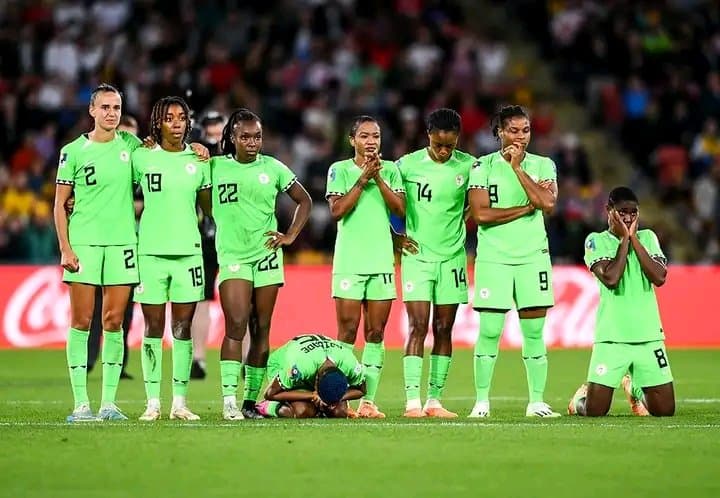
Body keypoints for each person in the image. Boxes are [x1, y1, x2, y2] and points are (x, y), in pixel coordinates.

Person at [211, 108, 312, 420]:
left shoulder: (274, 167)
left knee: (262, 328)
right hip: (233, 257)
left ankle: (249, 402)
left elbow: (305, 200)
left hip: (267, 256)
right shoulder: (214, 167)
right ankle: (229, 399)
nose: (252, 142)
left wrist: (290, 235)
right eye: (245, 136)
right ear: (232, 137)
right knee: (237, 324)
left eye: (257, 136)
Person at [54, 84, 141, 422]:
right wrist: (66, 247)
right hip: (85, 243)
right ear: (92, 111)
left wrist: (197, 148)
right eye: (105, 107)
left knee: (114, 321)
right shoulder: (72, 151)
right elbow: (60, 204)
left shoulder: (131, 147)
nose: (111, 113)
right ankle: (80, 403)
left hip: (122, 244)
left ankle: (108, 404)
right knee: (81, 320)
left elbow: (166, 154)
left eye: (116, 108)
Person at [467, 105, 560, 418]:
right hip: (494, 260)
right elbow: (480, 215)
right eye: (514, 130)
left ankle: (536, 402)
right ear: (499, 132)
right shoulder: (482, 166)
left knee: (534, 333)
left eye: (526, 130)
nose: (521, 136)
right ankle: (481, 402)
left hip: (533, 258)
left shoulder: (543, 165)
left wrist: (519, 169)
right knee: (490, 331)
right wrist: (523, 209)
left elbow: (547, 203)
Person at [133, 96, 212, 421]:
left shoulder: (199, 160)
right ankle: (153, 402)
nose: (176, 123)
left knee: (182, 328)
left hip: (188, 255)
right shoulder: (141, 157)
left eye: (181, 117)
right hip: (150, 253)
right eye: (169, 117)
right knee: (152, 327)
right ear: (158, 122)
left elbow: (210, 210)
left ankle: (179, 402)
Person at [394, 108, 476, 418]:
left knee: (444, 328)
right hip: (417, 257)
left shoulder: (469, 166)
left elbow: (477, 203)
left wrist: (464, 218)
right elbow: (386, 198)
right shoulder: (406, 165)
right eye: (438, 144)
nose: (444, 152)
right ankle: (412, 401)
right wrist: (394, 236)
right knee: (417, 326)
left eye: (450, 146)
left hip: (452, 259)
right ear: (428, 135)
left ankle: (434, 401)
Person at [568, 187, 675, 417]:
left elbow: (659, 277)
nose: (628, 217)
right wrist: (625, 239)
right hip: (613, 337)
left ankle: (633, 388)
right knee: (595, 411)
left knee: (665, 410)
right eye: (622, 212)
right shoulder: (595, 241)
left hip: (648, 335)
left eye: (633, 213)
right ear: (609, 211)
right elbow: (611, 278)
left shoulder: (648, 237)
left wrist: (633, 237)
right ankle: (578, 400)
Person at [326, 116, 405, 418]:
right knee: (346, 333)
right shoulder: (340, 170)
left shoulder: (392, 171)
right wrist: (362, 180)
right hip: (349, 263)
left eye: (376, 136)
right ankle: (340, 400)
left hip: (381, 262)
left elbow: (400, 209)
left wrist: (379, 178)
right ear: (352, 140)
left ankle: (368, 401)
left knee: (376, 333)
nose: (371, 141)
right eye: (364, 136)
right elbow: (336, 211)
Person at [87, 114, 140, 380]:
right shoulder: (101, 162)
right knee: (96, 307)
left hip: (133, 244)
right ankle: (87, 360)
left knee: (124, 311)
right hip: (100, 241)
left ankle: (119, 363)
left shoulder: (139, 166)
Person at [190, 112, 226, 379]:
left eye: (218, 129)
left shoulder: (236, 156)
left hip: (231, 237)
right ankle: (198, 359)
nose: (214, 134)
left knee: (242, 302)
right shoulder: (196, 156)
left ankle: (247, 361)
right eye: (210, 129)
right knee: (202, 300)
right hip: (205, 238)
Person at [255, 334, 366, 418]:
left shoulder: (350, 364)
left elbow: (362, 390)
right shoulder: (299, 367)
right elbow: (270, 393)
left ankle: (320, 406)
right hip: (281, 364)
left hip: (313, 363)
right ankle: (267, 407)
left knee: (339, 412)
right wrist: (312, 396)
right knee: (303, 411)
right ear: (316, 382)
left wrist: (338, 397)